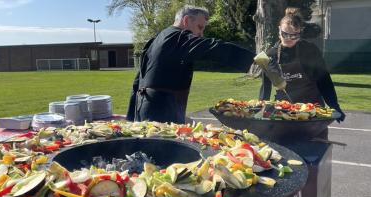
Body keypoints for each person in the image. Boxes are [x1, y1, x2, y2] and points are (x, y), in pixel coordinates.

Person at [126, 5, 255, 124]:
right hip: (160, 115)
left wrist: (131, 118)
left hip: (147, 111)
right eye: (200, 27)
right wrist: (253, 59)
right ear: (186, 20)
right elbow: (212, 47)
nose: (201, 34)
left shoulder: (157, 39)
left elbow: (138, 81)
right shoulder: (177, 37)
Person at [259, 8, 346, 123]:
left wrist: (334, 105)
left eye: (294, 36)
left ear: (299, 33)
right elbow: (266, 87)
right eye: (285, 34)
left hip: (312, 108)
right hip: (284, 110)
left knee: (316, 139)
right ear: (279, 30)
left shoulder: (310, 50)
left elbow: (324, 80)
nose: (289, 39)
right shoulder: (270, 55)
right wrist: (260, 109)